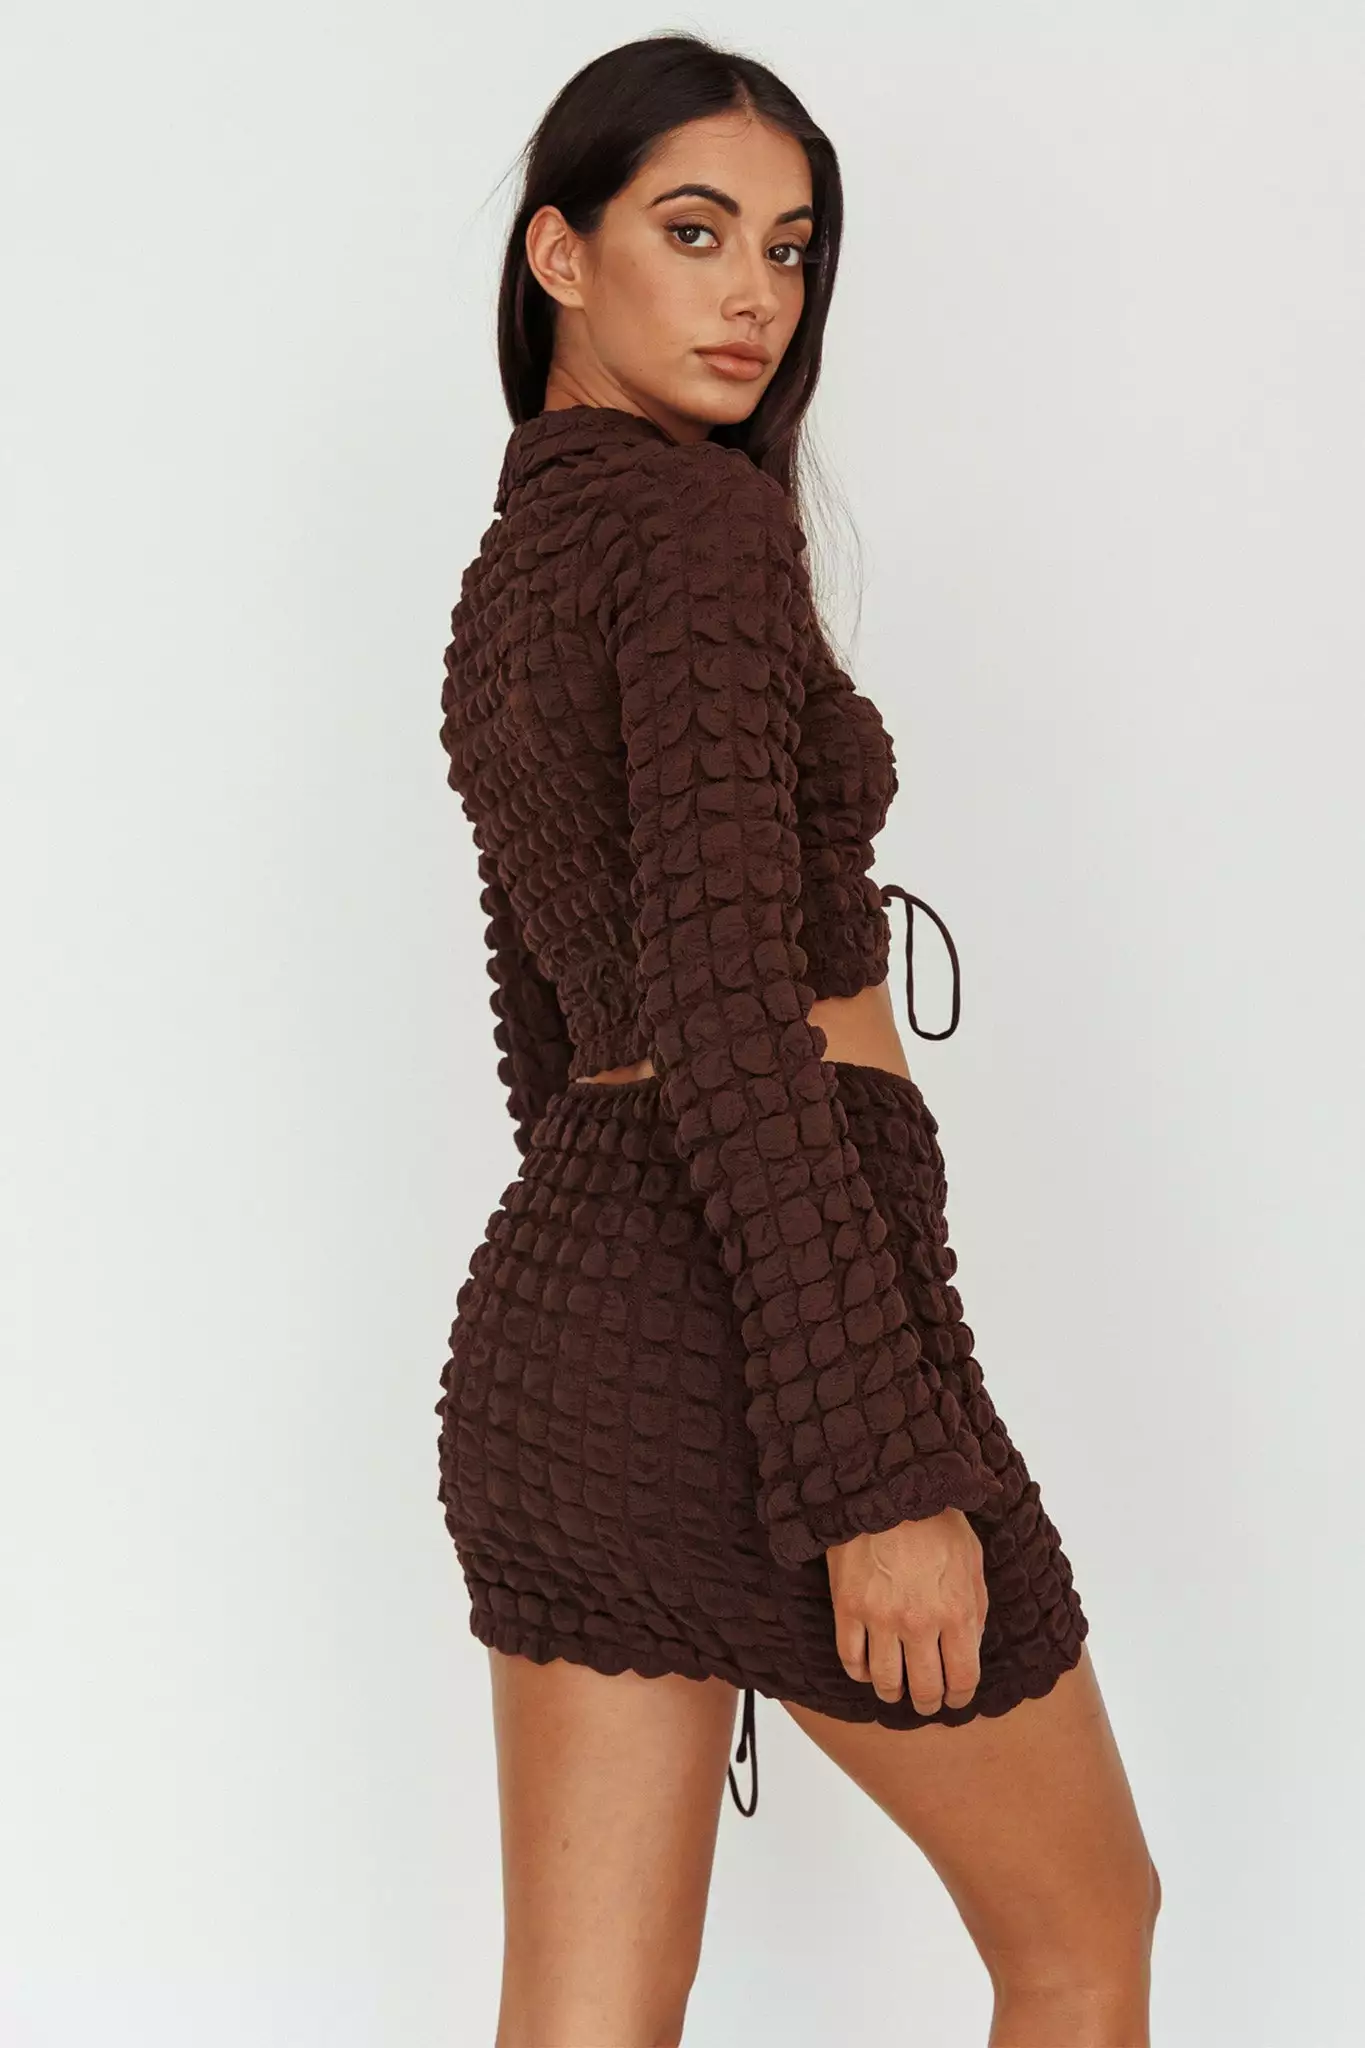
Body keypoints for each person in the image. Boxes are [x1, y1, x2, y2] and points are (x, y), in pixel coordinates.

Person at [434, 32, 1159, 2048]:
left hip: (559, 1355)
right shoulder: (698, 538)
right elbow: (730, 1024)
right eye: (694, 232)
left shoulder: (515, 569)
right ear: (559, 255)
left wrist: (623, 1340)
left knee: (585, 2009)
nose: (755, 292)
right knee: (1082, 1931)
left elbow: (552, 1018)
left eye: (789, 246)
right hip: (754, 1355)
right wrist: (870, 1469)